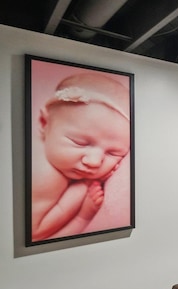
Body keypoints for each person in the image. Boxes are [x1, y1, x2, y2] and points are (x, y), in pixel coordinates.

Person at [31, 73, 130, 241]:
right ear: (43, 123)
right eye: (80, 142)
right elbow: (35, 234)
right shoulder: (45, 176)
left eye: (113, 153)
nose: (94, 162)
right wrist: (82, 189)